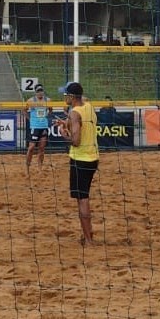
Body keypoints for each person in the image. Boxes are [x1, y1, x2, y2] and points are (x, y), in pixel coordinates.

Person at [61, 81, 99, 246]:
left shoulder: (75, 113)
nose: (63, 97)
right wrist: (66, 123)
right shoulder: (89, 106)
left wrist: (64, 134)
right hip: (93, 158)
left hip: (80, 159)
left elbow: (75, 141)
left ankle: (89, 239)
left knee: (82, 199)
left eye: (65, 95)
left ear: (71, 96)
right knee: (84, 197)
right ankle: (87, 234)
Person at [25, 84, 51, 170]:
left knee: (42, 148)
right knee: (31, 148)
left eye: (41, 91)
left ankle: (40, 168)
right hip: (35, 127)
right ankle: (27, 167)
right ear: (35, 92)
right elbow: (24, 110)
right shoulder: (31, 101)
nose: (40, 93)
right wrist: (30, 119)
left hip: (44, 126)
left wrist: (46, 116)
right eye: (38, 91)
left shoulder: (48, 100)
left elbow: (50, 109)